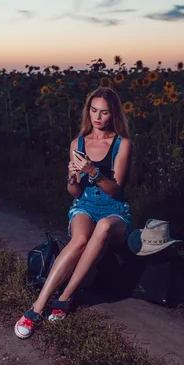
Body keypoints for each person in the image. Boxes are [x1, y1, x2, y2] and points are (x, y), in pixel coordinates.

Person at [14, 87, 132, 339]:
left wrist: (92, 172)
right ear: (87, 111)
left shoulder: (122, 144)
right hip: (85, 206)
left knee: (103, 228)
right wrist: (72, 177)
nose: (97, 117)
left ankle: (65, 298)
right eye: (93, 111)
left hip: (114, 211)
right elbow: (75, 193)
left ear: (113, 115)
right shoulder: (77, 143)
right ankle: (37, 307)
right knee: (79, 240)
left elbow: (116, 190)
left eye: (104, 112)